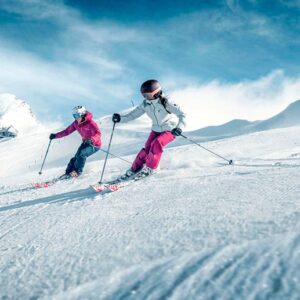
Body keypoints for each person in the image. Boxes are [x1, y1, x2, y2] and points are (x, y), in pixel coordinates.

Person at [112, 79, 186, 179]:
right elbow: (133, 115)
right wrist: (120, 118)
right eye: (144, 95)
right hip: (155, 130)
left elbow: (182, 114)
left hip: (170, 129)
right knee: (146, 150)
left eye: (148, 95)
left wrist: (179, 128)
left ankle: (151, 168)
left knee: (156, 144)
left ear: (156, 93)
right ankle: (134, 169)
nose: (146, 98)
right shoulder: (145, 104)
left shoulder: (166, 102)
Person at [49, 106, 101, 177]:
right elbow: (67, 131)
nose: (75, 118)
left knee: (82, 154)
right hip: (85, 143)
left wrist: (92, 139)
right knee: (76, 157)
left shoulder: (91, 123)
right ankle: (68, 172)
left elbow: (98, 134)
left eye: (77, 115)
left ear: (82, 114)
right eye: (74, 116)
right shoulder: (76, 123)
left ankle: (76, 172)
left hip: (94, 145)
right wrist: (55, 136)